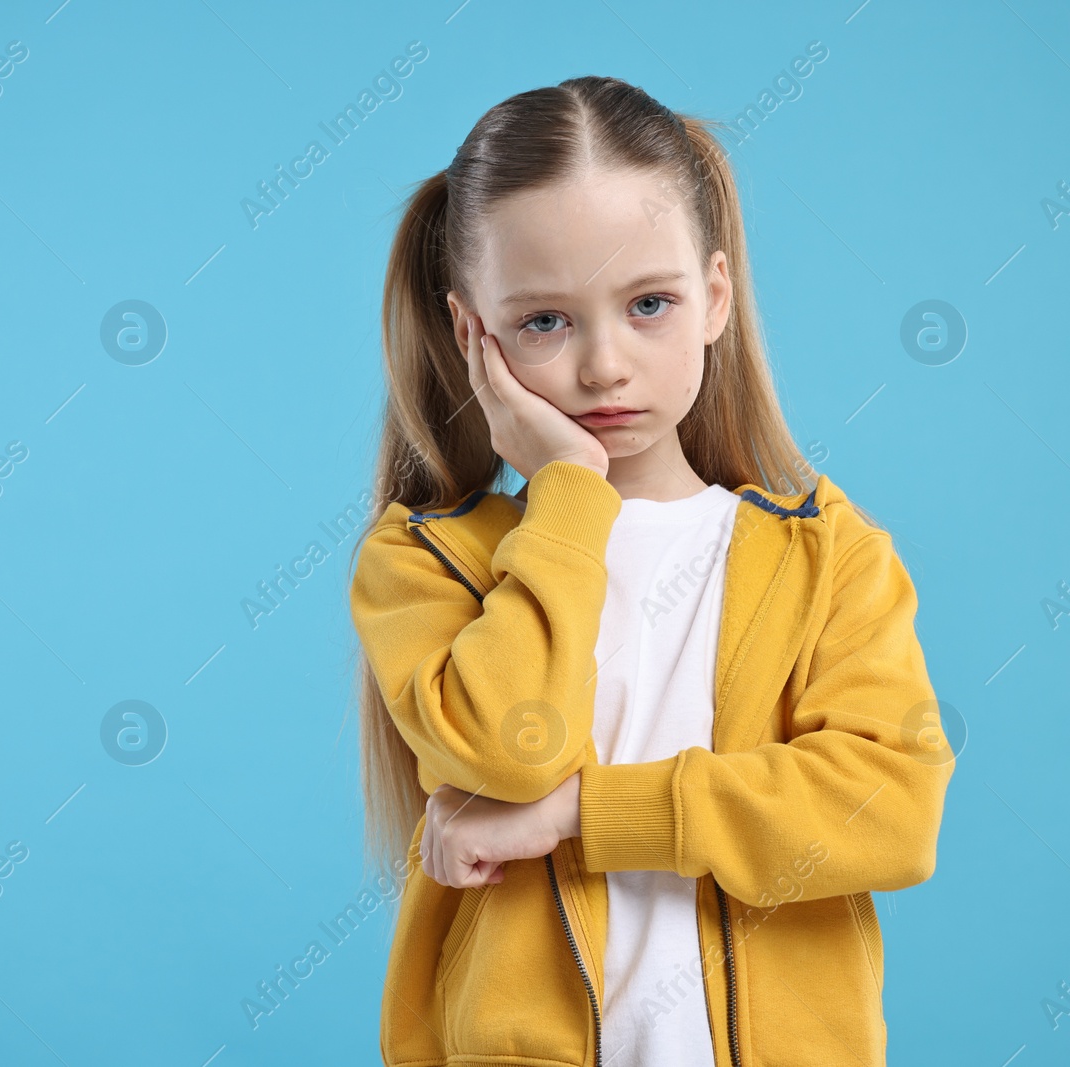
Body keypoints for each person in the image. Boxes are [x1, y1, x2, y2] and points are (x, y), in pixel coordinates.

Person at [345, 75, 956, 1067]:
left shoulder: (828, 554)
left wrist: (577, 814)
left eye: (648, 304)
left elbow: (888, 808)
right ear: (472, 338)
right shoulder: (428, 560)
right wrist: (570, 495)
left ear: (715, 296)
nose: (603, 366)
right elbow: (504, 746)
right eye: (544, 320)